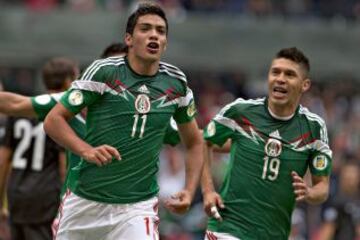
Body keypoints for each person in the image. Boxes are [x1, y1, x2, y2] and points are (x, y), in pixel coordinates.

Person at [44, 3, 203, 240]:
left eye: (160, 31)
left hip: (136, 208)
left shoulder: (176, 84)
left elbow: (194, 142)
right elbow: (53, 120)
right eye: (146, 29)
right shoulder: (103, 71)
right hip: (85, 202)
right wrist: (86, 150)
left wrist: (190, 191)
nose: (154, 35)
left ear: (165, 42)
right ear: (129, 39)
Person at [201, 47, 332, 239]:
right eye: (275, 72)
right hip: (227, 228)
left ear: (304, 85)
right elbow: (203, 143)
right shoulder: (240, 111)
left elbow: (323, 187)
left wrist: (310, 192)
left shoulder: (314, 128)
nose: (280, 78)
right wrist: (208, 191)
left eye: (289, 74)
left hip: (274, 234)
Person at [0, 57, 79, 240]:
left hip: (16, 193)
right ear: (69, 81)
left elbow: (3, 160)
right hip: (45, 196)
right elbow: (63, 166)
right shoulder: (62, 115)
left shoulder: (23, 110)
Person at [317, 161, 360, 240]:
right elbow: (328, 229)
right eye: (347, 175)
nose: (350, 178)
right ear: (341, 177)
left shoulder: (357, 201)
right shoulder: (336, 202)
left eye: (353, 174)